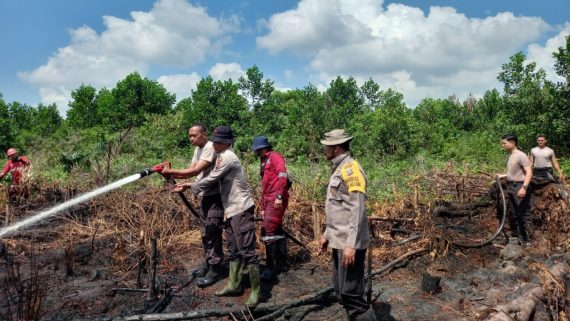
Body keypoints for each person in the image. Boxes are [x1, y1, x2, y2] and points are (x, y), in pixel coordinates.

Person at [173, 126, 262, 307]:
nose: (214, 143)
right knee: (233, 248)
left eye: (218, 141)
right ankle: (234, 285)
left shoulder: (228, 157)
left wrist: (188, 185)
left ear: (227, 142)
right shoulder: (220, 155)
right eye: (214, 140)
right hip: (230, 209)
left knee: (247, 250)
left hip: (240, 208)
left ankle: (257, 292)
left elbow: (210, 179)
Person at [317, 129, 376, 321]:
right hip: (339, 240)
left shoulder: (351, 170)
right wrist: (327, 234)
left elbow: (357, 211)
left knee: (351, 293)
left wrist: (352, 244)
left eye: (326, 146)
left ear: (335, 148)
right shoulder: (338, 168)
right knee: (340, 290)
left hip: (349, 243)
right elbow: (337, 208)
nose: (324, 149)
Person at [158, 124, 225, 288]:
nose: (191, 138)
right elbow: (192, 169)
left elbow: (194, 172)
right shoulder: (198, 149)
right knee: (205, 232)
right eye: (189, 136)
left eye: (194, 135)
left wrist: (170, 173)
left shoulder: (210, 148)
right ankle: (209, 264)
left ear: (204, 134)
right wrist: (178, 179)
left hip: (215, 196)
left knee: (212, 231)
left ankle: (215, 269)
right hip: (204, 196)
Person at [251, 136, 290, 282]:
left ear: (262, 148)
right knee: (277, 230)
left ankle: (270, 269)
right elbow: (265, 185)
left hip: (276, 198)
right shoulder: (263, 160)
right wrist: (262, 206)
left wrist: (279, 196)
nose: (255, 152)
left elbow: (282, 176)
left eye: (256, 149)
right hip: (268, 199)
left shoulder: (275, 157)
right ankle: (282, 264)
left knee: (268, 230)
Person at [498, 134, 533, 244]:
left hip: (520, 186)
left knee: (524, 214)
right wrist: (503, 175)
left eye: (504, 143)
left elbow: (529, 172)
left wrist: (524, 188)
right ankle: (520, 238)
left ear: (512, 143)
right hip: (511, 186)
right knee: (515, 212)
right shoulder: (510, 155)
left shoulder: (521, 155)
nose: (502, 145)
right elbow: (514, 172)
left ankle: (529, 241)